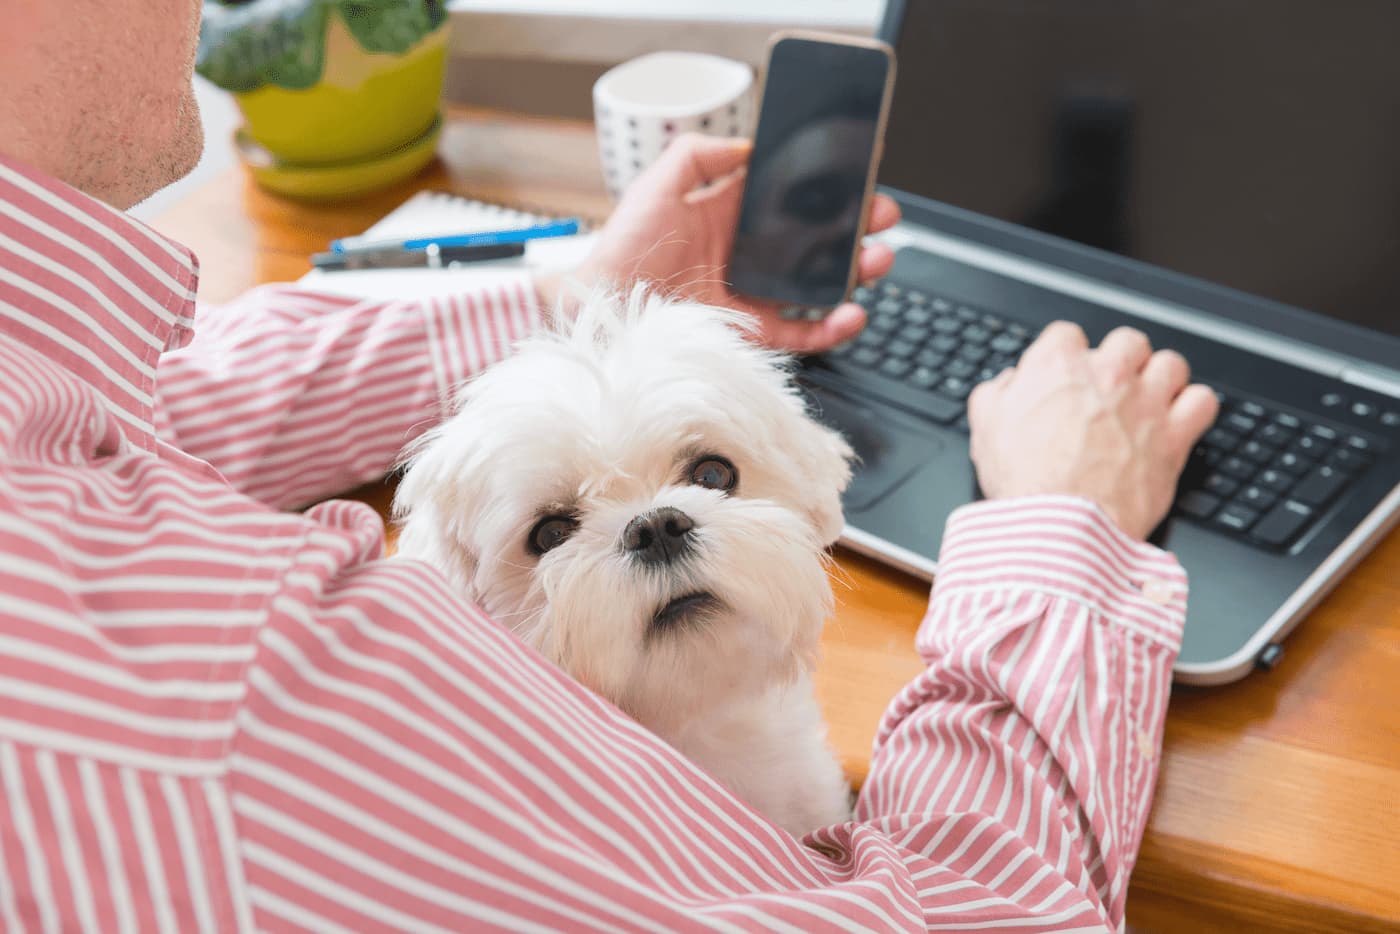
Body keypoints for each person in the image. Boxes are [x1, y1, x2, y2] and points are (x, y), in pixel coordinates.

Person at [0, 0, 1219, 930]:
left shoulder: (48, 409)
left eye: (711, 470)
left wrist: (584, 293)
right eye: (546, 530)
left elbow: (175, 396)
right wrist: (1065, 524)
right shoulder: (236, 700)